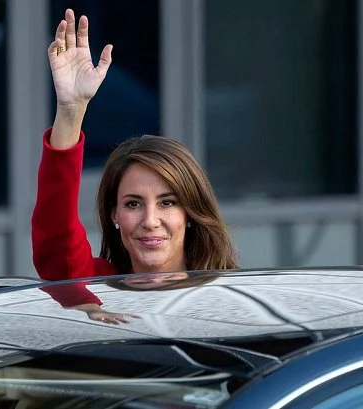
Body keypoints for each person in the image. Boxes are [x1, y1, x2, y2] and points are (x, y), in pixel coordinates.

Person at [31, 9, 238, 317]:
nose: (150, 220)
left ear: (191, 213)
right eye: (133, 204)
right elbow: (57, 239)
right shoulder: (95, 288)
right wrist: (71, 110)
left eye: (167, 203)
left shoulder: (232, 302)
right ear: (114, 214)